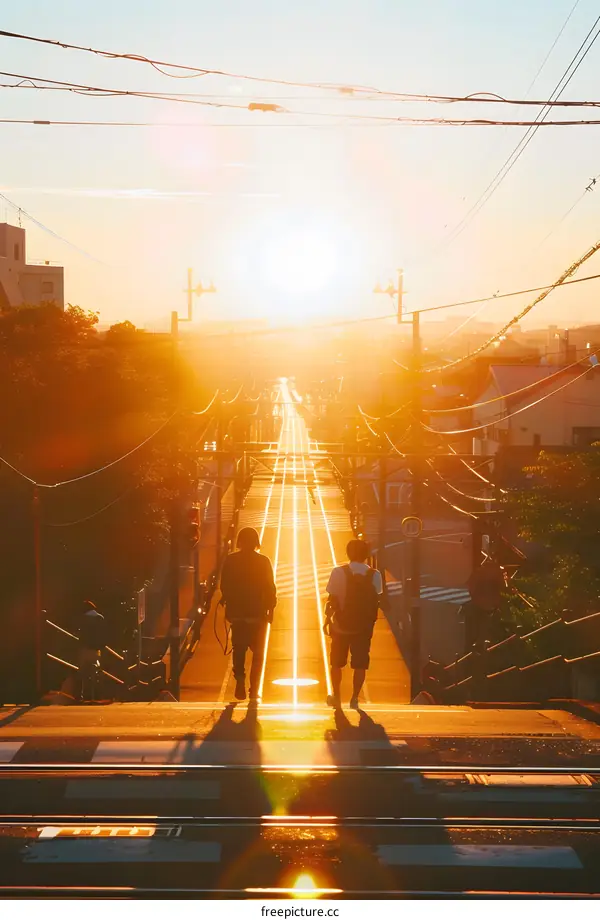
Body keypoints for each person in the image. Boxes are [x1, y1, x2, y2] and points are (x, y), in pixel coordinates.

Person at [324, 539, 383, 710]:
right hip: (363, 628)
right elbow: (377, 597)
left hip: (341, 626)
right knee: (360, 664)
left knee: (336, 662)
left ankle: (337, 696)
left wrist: (327, 620)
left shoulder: (338, 572)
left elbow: (331, 600)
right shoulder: (375, 575)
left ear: (348, 553)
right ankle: (355, 698)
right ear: (366, 555)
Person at [219, 527, 277, 702]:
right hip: (257, 613)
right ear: (256, 542)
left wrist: (227, 603)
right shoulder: (263, 561)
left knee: (239, 649)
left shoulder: (231, 560)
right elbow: (270, 587)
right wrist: (271, 609)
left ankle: (239, 680)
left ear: (240, 542)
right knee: (258, 654)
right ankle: (253, 689)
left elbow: (225, 585)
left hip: (237, 614)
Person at [78, 600, 106, 702]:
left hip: (85, 648)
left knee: (83, 672)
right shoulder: (100, 618)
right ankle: (96, 694)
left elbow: (80, 634)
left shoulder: (83, 619)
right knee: (96, 671)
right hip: (96, 649)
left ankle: (84, 695)